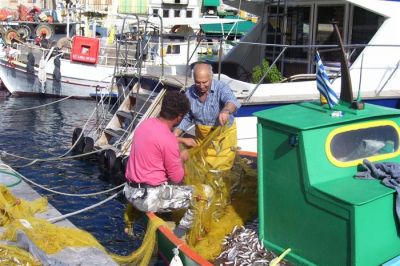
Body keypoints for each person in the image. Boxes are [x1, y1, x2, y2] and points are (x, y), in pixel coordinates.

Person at [123, 90, 193, 237]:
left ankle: (135, 223)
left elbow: (157, 140)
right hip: (148, 198)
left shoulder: (145, 125)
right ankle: (180, 233)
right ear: (179, 117)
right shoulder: (168, 140)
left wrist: (179, 140)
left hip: (130, 192)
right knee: (202, 195)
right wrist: (182, 157)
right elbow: (177, 178)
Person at [174, 62, 241, 171]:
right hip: (202, 141)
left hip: (223, 141)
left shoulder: (221, 87)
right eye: (197, 82)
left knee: (220, 173)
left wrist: (225, 111)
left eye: (205, 82)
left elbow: (232, 102)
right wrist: (175, 133)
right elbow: (187, 117)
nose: (201, 86)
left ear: (211, 77)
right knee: (203, 170)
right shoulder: (189, 94)